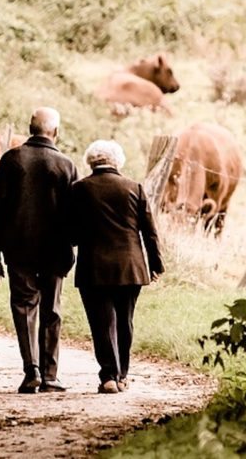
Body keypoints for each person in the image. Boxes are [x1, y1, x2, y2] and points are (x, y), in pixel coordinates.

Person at [0, 107, 78, 394]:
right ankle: (51, 376)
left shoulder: (11, 160)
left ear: (30, 128)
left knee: (24, 307)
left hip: (18, 249)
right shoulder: (66, 165)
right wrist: (72, 245)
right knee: (52, 310)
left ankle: (32, 371)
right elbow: (75, 214)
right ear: (56, 132)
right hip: (55, 250)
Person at [70, 140, 164, 394]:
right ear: (117, 161)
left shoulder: (79, 189)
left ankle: (108, 376)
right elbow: (150, 232)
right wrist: (156, 264)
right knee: (125, 321)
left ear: (90, 161)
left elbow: (71, 234)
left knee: (102, 323)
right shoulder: (134, 188)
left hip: (94, 267)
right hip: (131, 266)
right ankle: (122, 375)